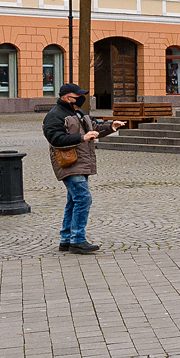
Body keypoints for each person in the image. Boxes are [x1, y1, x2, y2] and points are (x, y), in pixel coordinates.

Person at [43, 83, 125, 254]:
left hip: (81, 162)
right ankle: (77, 240)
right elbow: (55, 139)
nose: (81, 98)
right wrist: (82, 137)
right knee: (83, 198)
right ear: (66, 97)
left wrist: (111, 126)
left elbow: (94, 128)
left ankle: (66, 239)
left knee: (74, 201)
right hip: (68, 162)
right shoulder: (55, 115)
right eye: (77, 95)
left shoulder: (79, 112)